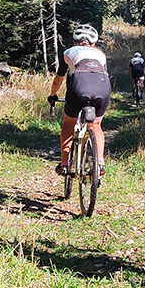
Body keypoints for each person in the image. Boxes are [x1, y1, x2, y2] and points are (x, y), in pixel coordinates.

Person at [48, 23, 111, 177]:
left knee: (69, 122)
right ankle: (100, 163)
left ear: (75, 40)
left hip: (78, 88)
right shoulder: (101, 55)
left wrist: (53, 95)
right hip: (103, 88)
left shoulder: (69, 52)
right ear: (94, 43)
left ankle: (64, 164)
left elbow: (59, 79)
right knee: (96, 125)